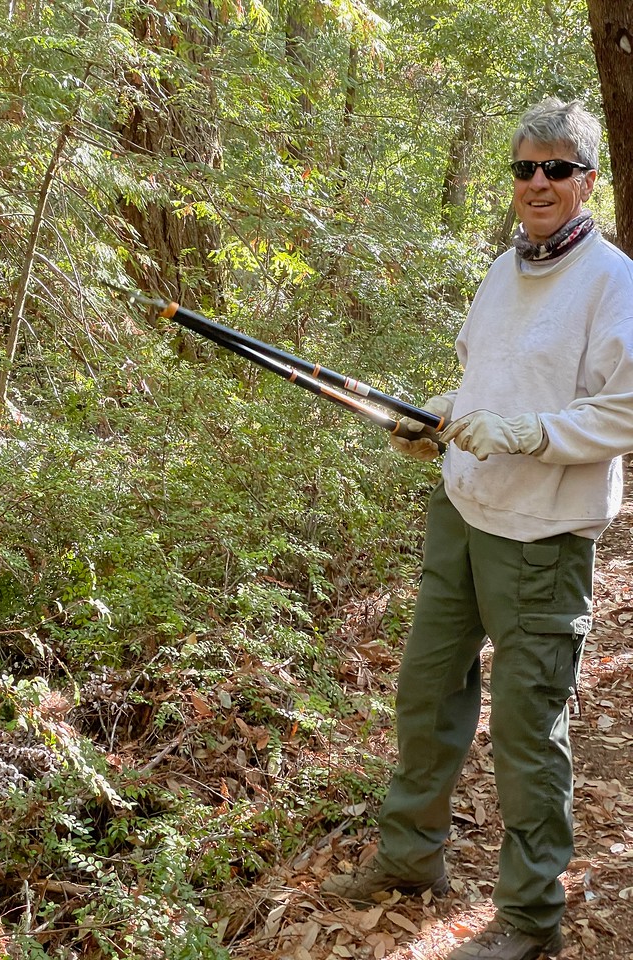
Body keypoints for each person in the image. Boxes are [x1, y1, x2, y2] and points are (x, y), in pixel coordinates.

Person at [321, 98, 633, 960]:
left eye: (557, 168)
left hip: (540, 538)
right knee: (426, 695)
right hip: (459, 516)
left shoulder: (615, 282)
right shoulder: (505, 268)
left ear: (586, 181)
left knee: (528, 733)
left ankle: (531, 919)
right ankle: (410, 861)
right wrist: (439, 417)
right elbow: (483, 381)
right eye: (525, 167)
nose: (538, 182)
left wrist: (533, 434)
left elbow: (626, 407)